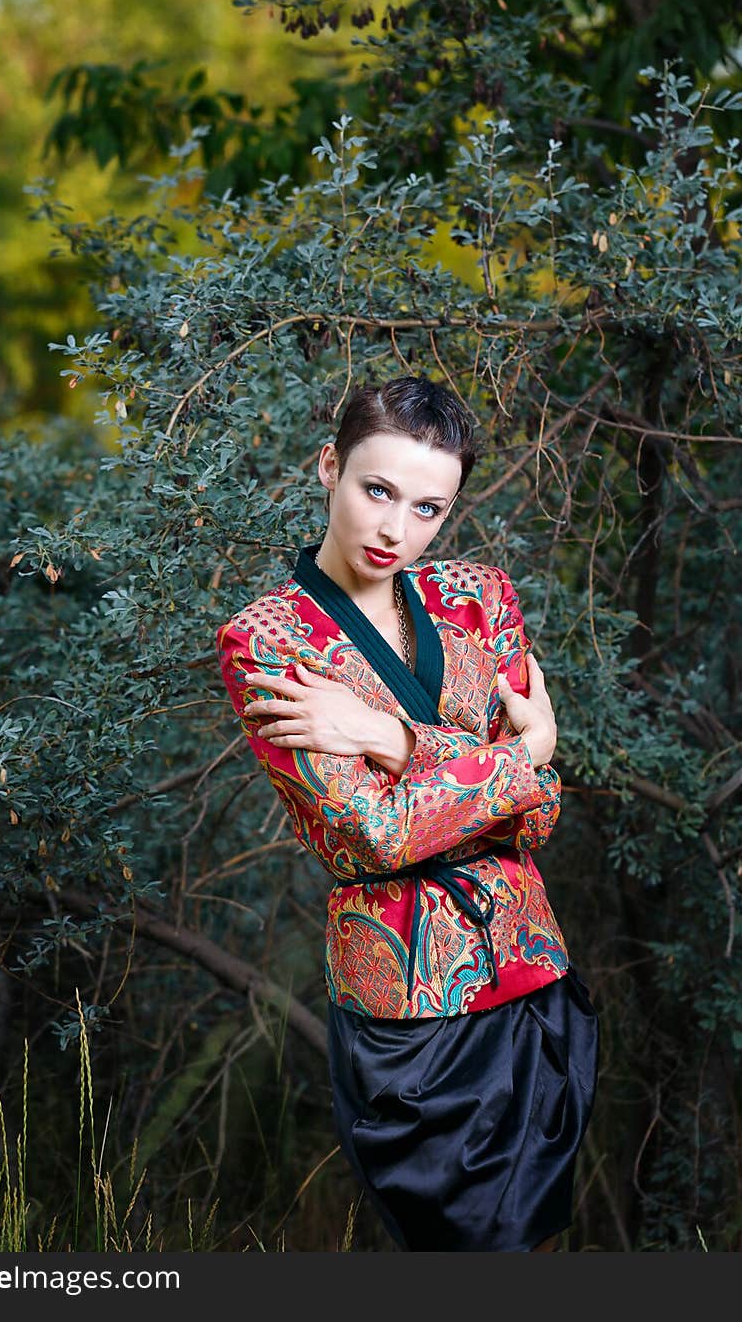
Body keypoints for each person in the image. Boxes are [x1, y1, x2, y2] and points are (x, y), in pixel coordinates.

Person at [215, 375, 599, 1252]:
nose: (396, 529)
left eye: (429, 507)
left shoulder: (482, 598)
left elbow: (540, 817)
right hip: (411, 1020)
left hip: (537, 983)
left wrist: (387, 740)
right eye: (377, 490)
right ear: (329, 468)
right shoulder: (270, 641)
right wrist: (521, 757)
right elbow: (371, 836)